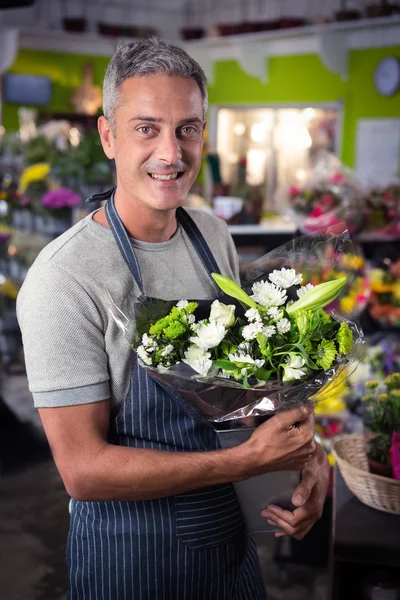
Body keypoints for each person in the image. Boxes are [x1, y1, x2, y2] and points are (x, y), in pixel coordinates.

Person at [17, 37, 329, 599]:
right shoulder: (64, 278)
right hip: (128, 562)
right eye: (146, 128)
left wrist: (307, 450)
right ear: (108, 136)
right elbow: (83, 471)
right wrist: (245, 461)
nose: (171, 152)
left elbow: (249, 377)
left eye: (187, 128)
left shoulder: (211, 235)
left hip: (227, 549)